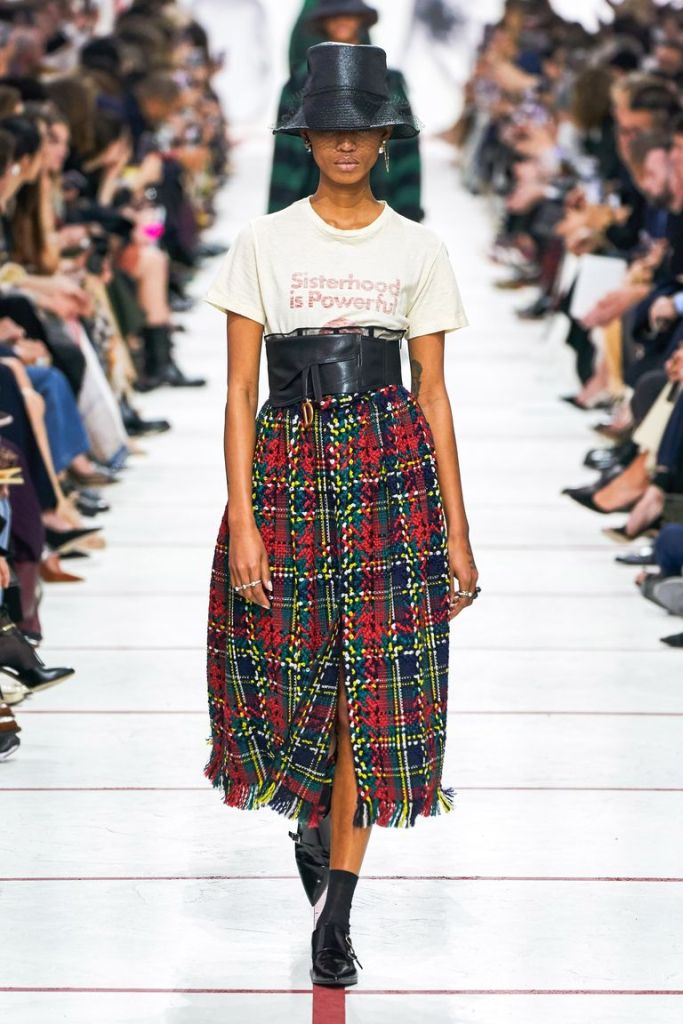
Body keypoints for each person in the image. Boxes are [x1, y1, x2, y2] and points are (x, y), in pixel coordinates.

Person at [204, 41, 478, 988]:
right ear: (308, 139)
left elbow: (432, 395)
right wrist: (243, 520)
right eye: (329, 130)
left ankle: (338, 919)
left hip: (389, 472)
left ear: (384, 139)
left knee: (374, 693)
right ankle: (311, 820)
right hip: (286, 469)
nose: (345, 144)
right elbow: (239, 392)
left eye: (361, 130)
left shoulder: (418, 248)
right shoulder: (264, 242)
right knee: (293, 683)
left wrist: (457, 531)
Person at [268, 0, 424, 222]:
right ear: (323, 22)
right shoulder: (298, 84)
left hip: (380, 195)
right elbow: (285, 160)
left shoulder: (388, 82)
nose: (342, 22)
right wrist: (278, 222)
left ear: (361, 20)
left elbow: (406, 155)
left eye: (349, 15)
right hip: (311, 202)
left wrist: (408, 217)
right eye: (334, 16)